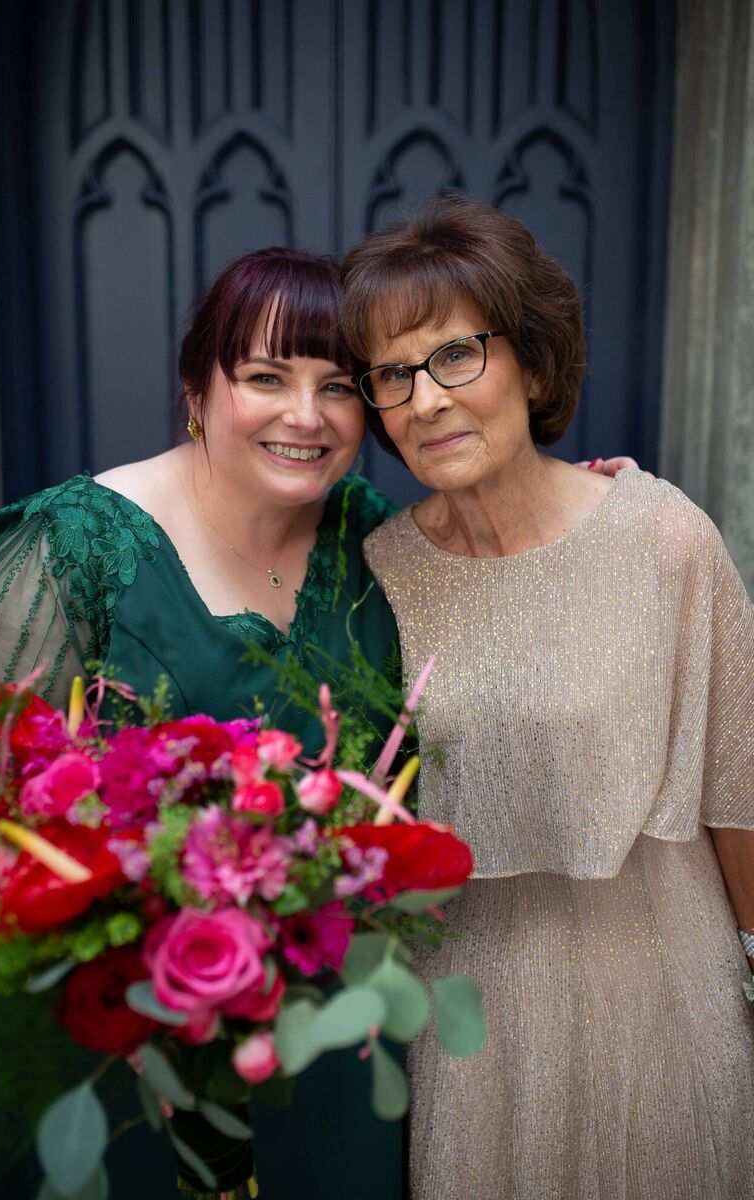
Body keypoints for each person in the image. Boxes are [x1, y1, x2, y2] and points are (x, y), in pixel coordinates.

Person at [0, 239, 629, 1200]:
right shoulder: (70, 548)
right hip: (125, 1060)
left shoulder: (373, 540)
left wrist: (574, 510)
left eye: (338, 386)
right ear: (198, 388)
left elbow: (498, 597)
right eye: (266, 377)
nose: (305, 416)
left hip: (331, 1053)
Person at [340, 195, 754, 1200]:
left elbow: (738, 788)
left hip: (658, 998)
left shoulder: (663, 539)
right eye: (392, 374)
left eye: (455, 355)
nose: (424, 400)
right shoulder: (379, 571)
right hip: (469, 1029)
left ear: (530, 360)